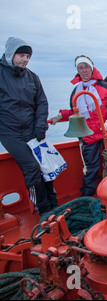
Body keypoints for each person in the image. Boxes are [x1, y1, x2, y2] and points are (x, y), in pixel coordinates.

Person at [50, 55, 107, 196]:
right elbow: (75, 111)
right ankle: (88, 193)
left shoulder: (105, 87)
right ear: (77, 70)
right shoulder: (76, 91)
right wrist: (61, 115)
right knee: (90, 165)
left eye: (86, 67)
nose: (84, 70)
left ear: (92, 68)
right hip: (88, 134)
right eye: (80, 67)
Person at [0, 37, 57, 216]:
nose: (25, 59)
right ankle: (43, 210)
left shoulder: (32, 77)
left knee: (45, 165)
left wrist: (41, 125)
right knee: (32, 168)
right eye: (21, 55)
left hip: (33, 131)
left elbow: (41, 102)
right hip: (10, 133)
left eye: (27, 56)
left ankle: (54, 205)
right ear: (11, 54)